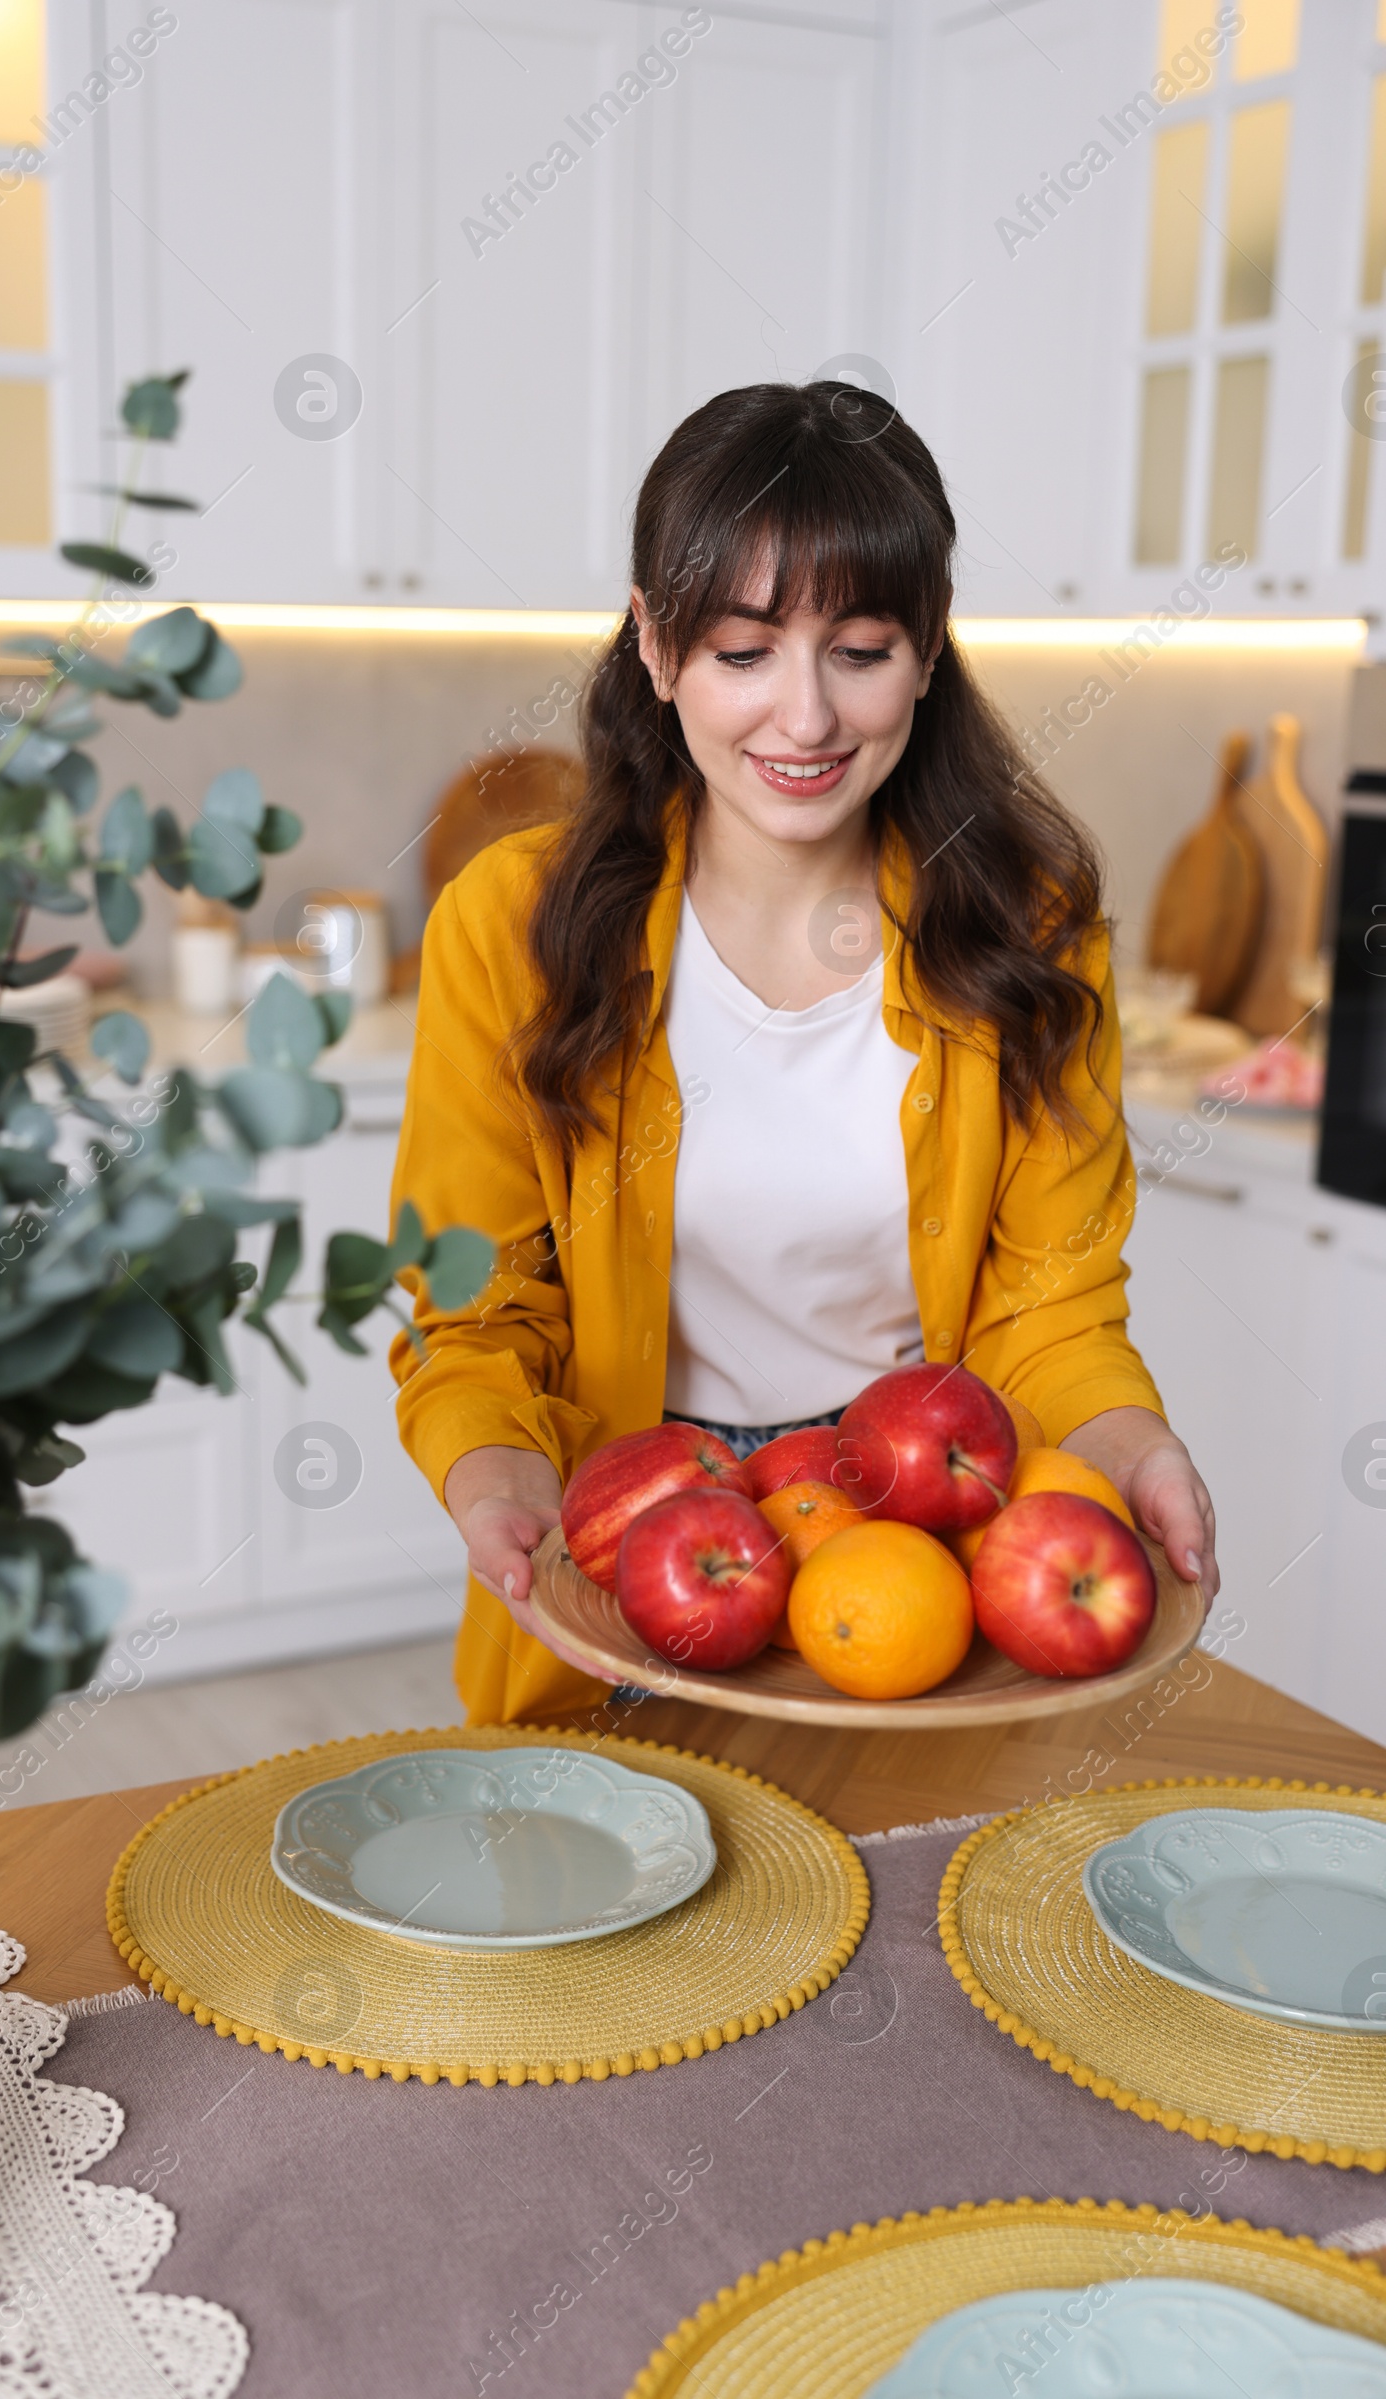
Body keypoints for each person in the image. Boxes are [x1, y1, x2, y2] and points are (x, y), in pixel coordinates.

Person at [388, 380, 1219, 1728]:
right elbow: (475, 1309)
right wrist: (493, 1475)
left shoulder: (1029, 932)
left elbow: (1052, 1309)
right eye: (743, 652)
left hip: (918, 1542)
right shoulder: (515, 927)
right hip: (624, 1552)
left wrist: (1137, 1447)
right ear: (655, 649)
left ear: (930, 649)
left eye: (861, 647)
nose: (807, 717)